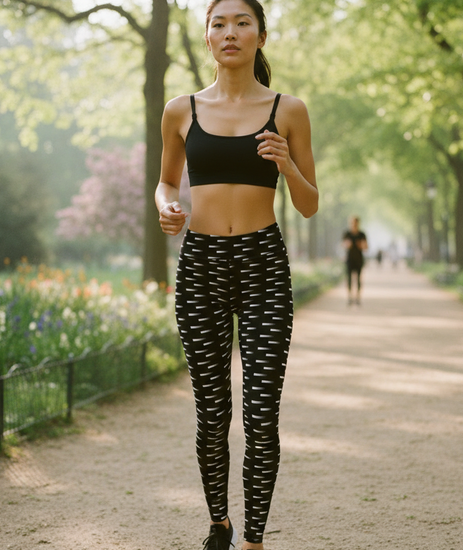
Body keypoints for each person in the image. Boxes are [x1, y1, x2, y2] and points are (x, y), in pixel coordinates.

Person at [155, 1, 318, 548]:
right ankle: (218, 523)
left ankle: (254, 539)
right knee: (212, 410)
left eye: (242, 22)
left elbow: (311, 204)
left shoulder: (288, 110)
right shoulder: (181, 110)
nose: (230, 32)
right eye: (219, 23)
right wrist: (167, 206)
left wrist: (286, 163)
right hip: (200, 263)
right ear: (207, 38)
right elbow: (164, 182)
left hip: (263, 264)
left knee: (262, 411)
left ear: (261, 37)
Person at [342, 216, 368, 305]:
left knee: (358, 279)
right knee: (349, 279)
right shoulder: (347, 234)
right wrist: (347, 245)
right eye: (352, 222)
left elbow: (366, 247)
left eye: (355, 222)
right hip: (349, 260)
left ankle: (357, 297)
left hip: (359, 260)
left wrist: (361, 245)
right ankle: (350, 297)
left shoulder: (362, 234)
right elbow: (343, 245)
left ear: (358, 223)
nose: (354, 224)